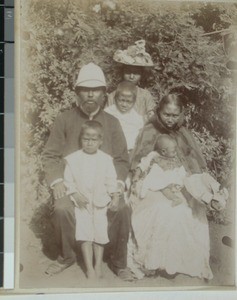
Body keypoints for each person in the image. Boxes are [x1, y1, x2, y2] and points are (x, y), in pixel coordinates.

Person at [43, 62, 132, 280]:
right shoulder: (65, 119)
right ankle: (67, 257)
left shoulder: (112, 123)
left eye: (96, 90)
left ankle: (118, 262)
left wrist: (117, 188)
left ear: (104, 94)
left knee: (121, 208)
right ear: (77, 93)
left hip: (104, 187)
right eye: (85, 89)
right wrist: (58, 182)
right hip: (72, 186)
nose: (90, 94)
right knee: (63, 208)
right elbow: (50, 155)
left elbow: (121, 159)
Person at [127, 93, 217, 280]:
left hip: (179, 179)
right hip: (154, 182)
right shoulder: (150, 130)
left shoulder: (183, 132)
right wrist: (138, 178)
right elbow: (141, 160)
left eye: (175, 115)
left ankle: (176, 261)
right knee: (164, 210)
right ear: (159, 111)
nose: (170, 119)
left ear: (181, 114)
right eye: (167, 114)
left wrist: (193, 179)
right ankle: (156, 260)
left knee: (187, 210)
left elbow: (192, 160)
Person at [64, 121, 119, 279]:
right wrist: (74, 194)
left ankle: (98, 264)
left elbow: (111, 180)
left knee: (100, 233)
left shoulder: (106, 159)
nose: (89, 142)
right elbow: (69, 181)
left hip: (100, 202)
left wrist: (114, 196)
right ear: (81, 139)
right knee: (84, 233)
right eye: (86, 139)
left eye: (93, 139)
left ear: (100, 141)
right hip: (82, 203)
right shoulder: (74, 159)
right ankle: (89, 268)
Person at [132, 134, 228, 209]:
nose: (175, 154)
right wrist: (136, 176)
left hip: (174, 178)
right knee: (163, 188)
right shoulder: (153, 155)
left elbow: (179, 168)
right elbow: (142, 165)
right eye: (173, 151)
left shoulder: (173, 158)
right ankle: (175, 198)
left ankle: (215, 190)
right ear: (163, 151)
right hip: (160, 178)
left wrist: (184, 173)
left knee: (195, 180)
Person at [107, 40, 156, 121]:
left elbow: (151, 118)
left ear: (142, 74)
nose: (131, 76)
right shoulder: (113, 95)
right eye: (128, 72)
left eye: (136, 73)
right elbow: (107, 118)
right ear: (122, 72)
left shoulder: (145, 95)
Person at [104, 81, 144, 156]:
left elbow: (140, 136)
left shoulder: (136, 117)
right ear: (115, 99)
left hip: (129, 151)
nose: (124, 105)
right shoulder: (108, 113)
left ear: (134, 102)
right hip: (111, 150)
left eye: (128, 102)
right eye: (121, 100)